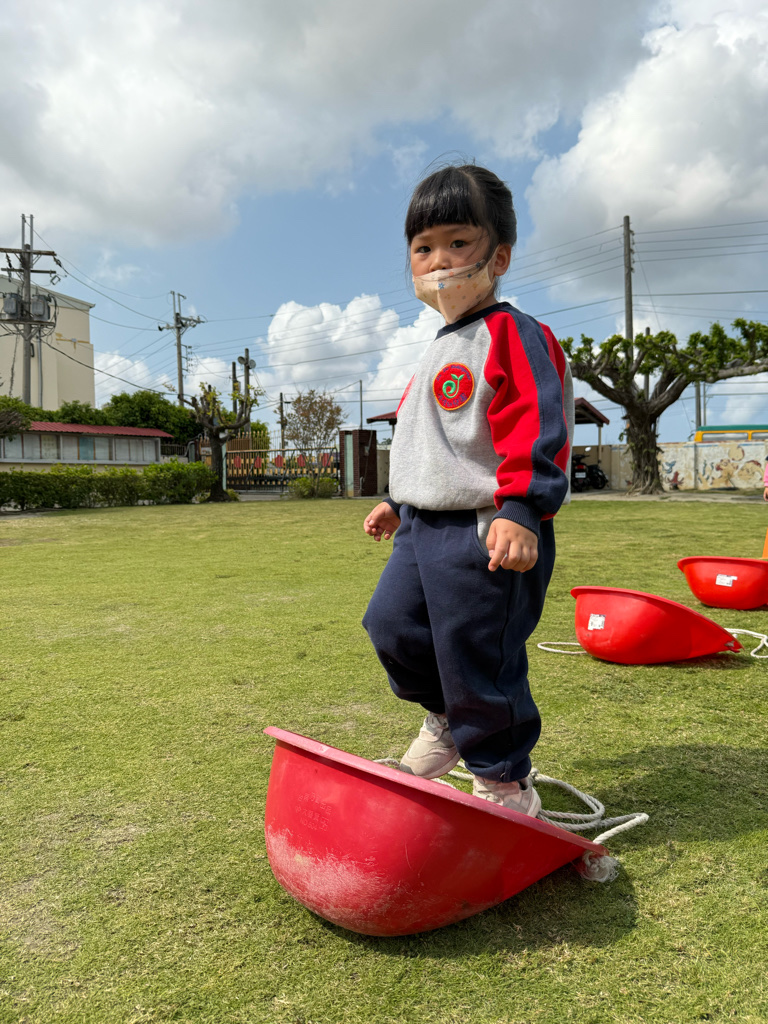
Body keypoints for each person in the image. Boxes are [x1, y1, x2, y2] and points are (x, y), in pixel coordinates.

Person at [362, 164, 573, 817]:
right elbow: (426, 438)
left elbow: (537, 421)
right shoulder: (437, 347)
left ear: (498, 257)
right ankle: (447, 721)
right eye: (423, 248)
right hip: (422, 527)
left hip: (487, 527)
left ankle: (504, 780)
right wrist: (397, 500)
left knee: (475, 651)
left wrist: (522, 508)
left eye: (457, 243)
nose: (438, 261)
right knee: (392, 627)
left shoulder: (512, 333)